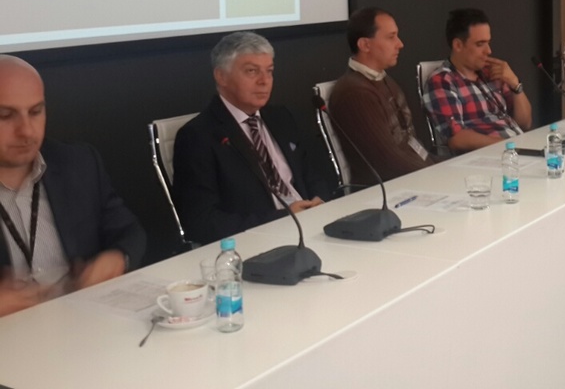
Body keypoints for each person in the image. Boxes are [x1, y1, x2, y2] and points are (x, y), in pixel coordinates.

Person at [0, 55, 145, 318]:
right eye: (5, 116)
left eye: (36, 112)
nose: (27, 131)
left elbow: (129, 231)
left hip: (86, 318)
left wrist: (116, 258)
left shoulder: (77, 163)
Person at [173, 31, 334, 245]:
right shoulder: (198, 136)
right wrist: (282, 218)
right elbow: (201, 222)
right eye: (252, 71)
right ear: (221, 76)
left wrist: (320, 201)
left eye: (269, 71)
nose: (264, 81)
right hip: (259, 242)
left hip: (312, 228)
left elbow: (311, 175)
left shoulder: (281, 117)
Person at [328, 7, 437, 185]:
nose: (400, 44)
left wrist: (443, 167)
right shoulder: (354, 93)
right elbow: (387, 161)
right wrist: (435, 176)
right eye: (391, 37)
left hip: (413, 177)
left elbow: (410, 143)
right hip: (389, 189)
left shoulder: (384, 80)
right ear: (365, 45)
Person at [423, 8, 532, 153]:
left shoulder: (492, 72)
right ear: (458, 45)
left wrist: (515, 84)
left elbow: (525, 124)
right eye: (480, 44)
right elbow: (457, 139)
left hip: (515, 150)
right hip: (489, 157)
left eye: (488, 42)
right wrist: (507, 145)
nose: (488, 51)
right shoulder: (442, 81)